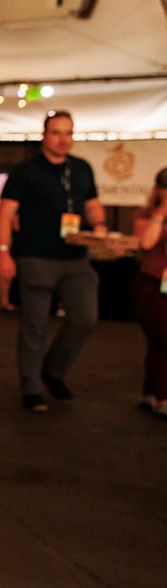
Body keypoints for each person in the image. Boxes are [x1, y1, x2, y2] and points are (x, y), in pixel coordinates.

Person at [0, 110, 104, 412]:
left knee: (85, 317)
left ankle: (53, 370)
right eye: (57, 132)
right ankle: (31, 388)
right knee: (35, 325)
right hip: (36, 256)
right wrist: (3, 252)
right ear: (45, 135)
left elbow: (94, 205)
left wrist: (99, 228)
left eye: (68, 133)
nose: (63, 139)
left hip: (76, 258)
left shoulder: (82, 168)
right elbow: (5, 212)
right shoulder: (25, 170)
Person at [132, 167, 167, 418]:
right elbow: (145, 243)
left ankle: (151, 392)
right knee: (162, 339)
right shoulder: (145, 215)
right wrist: (161, 213)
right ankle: (163, 396)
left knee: (159, 343)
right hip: (152, 284)